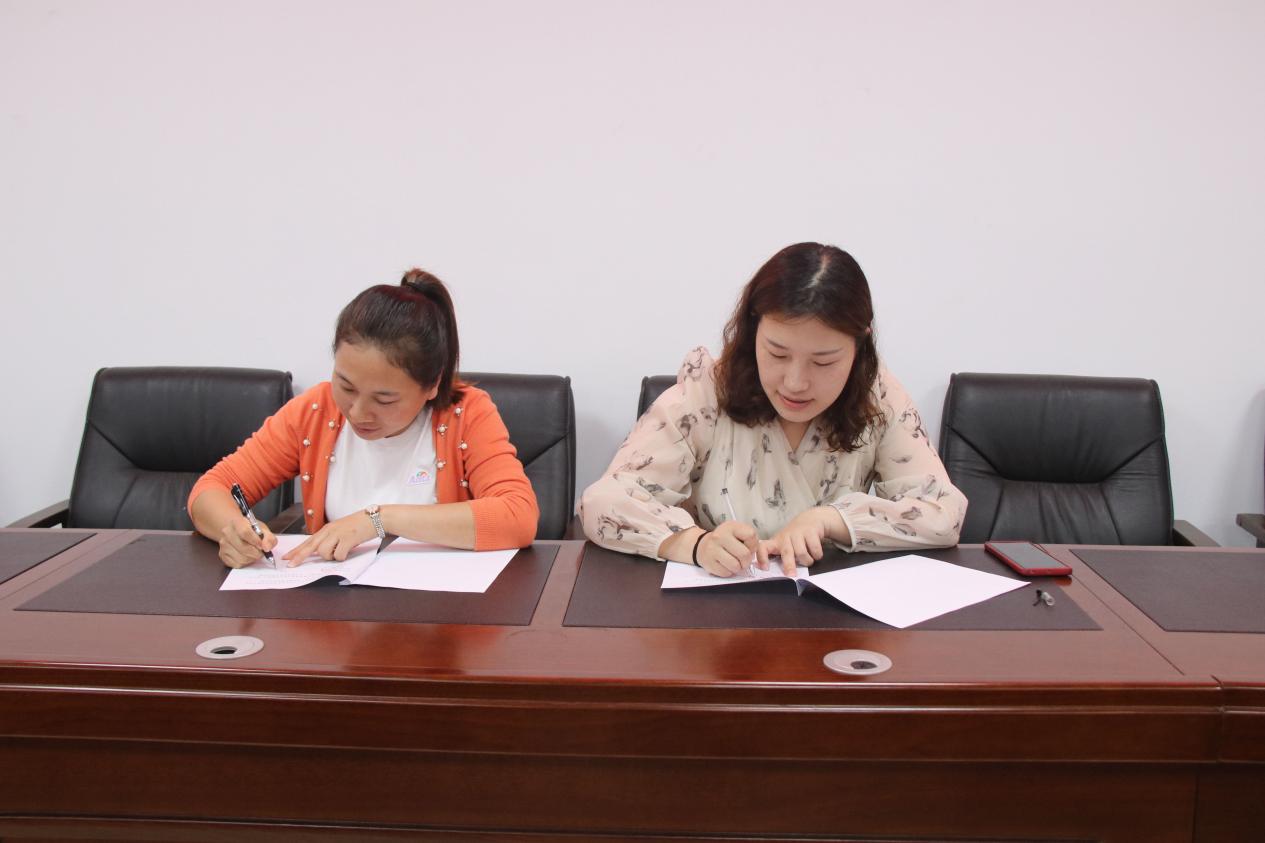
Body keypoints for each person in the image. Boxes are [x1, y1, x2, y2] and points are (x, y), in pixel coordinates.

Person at [580, 242, 966, 577]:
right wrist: (694, 544)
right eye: (778, 354)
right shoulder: (707, 391)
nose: (795, 383)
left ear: (859, 345)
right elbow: (604, 501)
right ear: (753, 332)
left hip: (830, 617)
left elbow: (944, 513)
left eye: (824, 362)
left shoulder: (876, 396)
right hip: (715, 615)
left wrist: (830, 520)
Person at [190, 269, 538, 568]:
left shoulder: (466, 414)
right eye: (346, 386)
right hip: (335, 612)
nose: (357, 412)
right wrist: (234, 530)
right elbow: (212, 489)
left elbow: (518, 517)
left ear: (432, 385)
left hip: (441, 613)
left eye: (384, 399)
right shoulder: (316, 411)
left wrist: (379, 519)